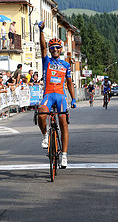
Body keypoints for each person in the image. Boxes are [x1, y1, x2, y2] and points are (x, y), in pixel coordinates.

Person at [37, 21, 76, 168]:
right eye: (52, 48)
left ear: (60, 50)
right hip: (48, 94)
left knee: (63, 123)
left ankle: (64, 155)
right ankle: (46, 135)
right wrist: (40, 32)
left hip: (60, 96)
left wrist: (73, 99)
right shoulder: (46, 61)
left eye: (57, 48)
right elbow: (42, 47)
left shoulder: (65, 65)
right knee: (41, 113)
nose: (54, 50)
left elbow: (70, 83)